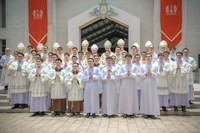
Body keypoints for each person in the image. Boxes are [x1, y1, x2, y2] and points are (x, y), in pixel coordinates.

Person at [118, 54, 139, 118]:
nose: (128, 59)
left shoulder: (134, 67)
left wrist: (131, 74)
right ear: (125, 59)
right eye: (127, 58)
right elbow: (119, 75)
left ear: (131, 58)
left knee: (132, 97)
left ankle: (131, 112)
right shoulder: (122, 67)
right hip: (125, 83)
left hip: (132, 84)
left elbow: (136, 75)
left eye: (129, 58)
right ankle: (125, 112)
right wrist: (126, 74)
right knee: (125, 97)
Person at [140, 53, 160, 119]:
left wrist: (152, 74)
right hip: (145, 83)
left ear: (151, 58)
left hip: (152, 83)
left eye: (149, 57)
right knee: (145, 97)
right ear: (145, 58)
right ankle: (146, 113)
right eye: (147, 57)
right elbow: (140, 75)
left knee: (152, 97)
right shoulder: (142, 66)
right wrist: (145, 74)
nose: (148, 58)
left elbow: (158, 74)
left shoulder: (155, 66)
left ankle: (152, 113)